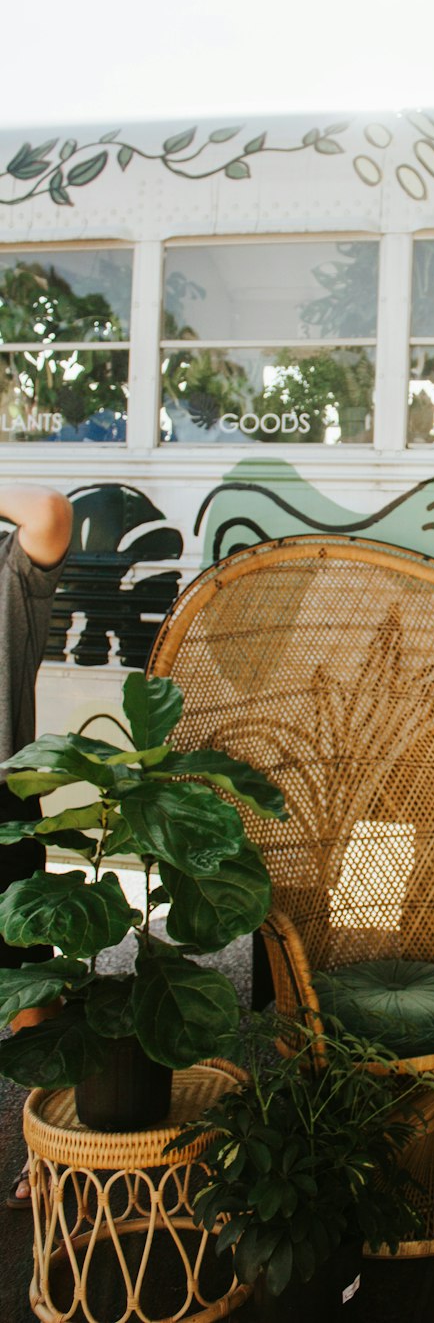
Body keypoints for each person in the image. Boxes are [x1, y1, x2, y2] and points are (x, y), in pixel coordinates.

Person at [0, 483, 72, 1207]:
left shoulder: (12, 574)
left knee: (24, 981)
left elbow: (48, 511)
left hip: (0, 805)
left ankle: (46, 1150)